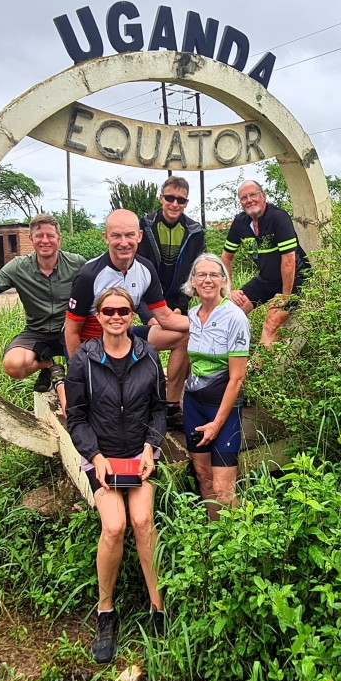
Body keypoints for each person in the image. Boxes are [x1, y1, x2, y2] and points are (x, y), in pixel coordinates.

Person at [64, 286, 167, 663]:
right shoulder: (84, 361)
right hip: (102, 459)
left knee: (142, 520)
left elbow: (159, 409)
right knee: (114, 526)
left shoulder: (149, 355)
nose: (116, 316)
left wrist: (148, 448)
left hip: (139, 457)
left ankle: (158, 607)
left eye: (123, 310)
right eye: (108, 311)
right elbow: (76, 418)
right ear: (99, 314)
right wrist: (95, 455)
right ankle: (105, 611)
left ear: (132, 314)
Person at [0, 213, 84, 405]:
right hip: (36, 332)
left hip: (70, 330)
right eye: (39, 236)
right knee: (13, 366)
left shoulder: (77, 263)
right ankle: (48, 365)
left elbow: (101, 288)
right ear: (31, 239)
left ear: (59, 239)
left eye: (50, 235)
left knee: (87, 371)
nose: (45, 240)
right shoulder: (18, 266)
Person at [66, 209, 190, 406]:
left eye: (130, 235)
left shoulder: (146, 269)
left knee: (184, 335)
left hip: (126, 335)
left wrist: (207, 320)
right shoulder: (90, 274)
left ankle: (171, 405)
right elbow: (71, 331)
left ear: (139, 236)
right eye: (116, 235)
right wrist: (78, 373)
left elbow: (166, 318)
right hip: (92, 343)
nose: (124, 242)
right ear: (105, 237)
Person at [180, 254, 250, 521]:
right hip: (195, 405)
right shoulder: (193, 316)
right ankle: (214, 536)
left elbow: (237, 378)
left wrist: (217, 423)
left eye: (214, 275)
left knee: (223, 488)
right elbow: (191, 360)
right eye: (201, 275)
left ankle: (236, 549)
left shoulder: (235, 318)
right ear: (193, 283)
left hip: (223, 409)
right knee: (204, 477)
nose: (207, 280)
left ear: (223, 281)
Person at [138, 176, 205, 426]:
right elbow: (137, 272)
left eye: (180, 200)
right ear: (160, 198)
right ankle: (146, 400)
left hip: (177, 301)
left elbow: (194, 273)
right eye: (170, 198)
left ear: (186, 202)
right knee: (156, 343)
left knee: (187, 339)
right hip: (148, 303)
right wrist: (147, 314)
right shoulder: (143, 226)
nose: (174, 204)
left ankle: (171, 404)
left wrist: (180, 306)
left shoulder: (195, 231)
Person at [222, 180, 311, 345]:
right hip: (267, 278)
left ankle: (261, 369)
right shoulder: (240, 223)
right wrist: (230, 290)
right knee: (230, 313)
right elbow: (226, 257)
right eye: (244, 198)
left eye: (253, 195)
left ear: (263, 196)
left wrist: (286, 295)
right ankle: (227, 364)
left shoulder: (278, 217)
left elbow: (289, 260)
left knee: (272, 321)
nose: (249, 200)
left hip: (296, 279)